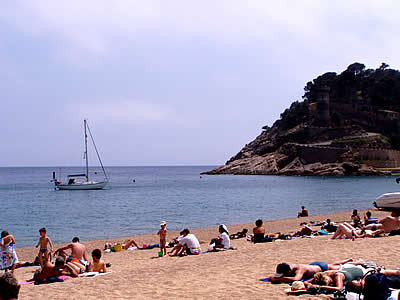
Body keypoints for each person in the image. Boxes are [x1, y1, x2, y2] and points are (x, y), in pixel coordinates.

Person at [268, 258, 354, 283]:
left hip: (321, 268)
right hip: (313, 265)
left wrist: (280, 279)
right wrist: (274, 277)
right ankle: (347, 259)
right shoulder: (287, 268)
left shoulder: (299, 269)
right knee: (333, 264)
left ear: (289, 272)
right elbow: (272, 276)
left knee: (341, 267)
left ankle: (356, 262)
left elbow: (296, 279)